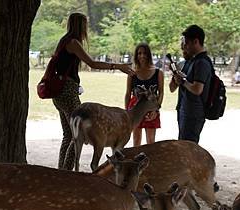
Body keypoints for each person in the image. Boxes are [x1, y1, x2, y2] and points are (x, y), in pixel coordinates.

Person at [51, 12, 134, 170]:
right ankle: (66, 173)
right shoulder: (73, 43)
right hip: (68, 91)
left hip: (58, 93)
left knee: (68, 134)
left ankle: (61, 171)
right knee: (74, 135)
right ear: (81, 26)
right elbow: (92, 63)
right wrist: (118, 66)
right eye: (85, 25)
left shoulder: (64, 41)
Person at [169, 24, 212, 143]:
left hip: (193, 113)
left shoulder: (202, 63)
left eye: (187, 43)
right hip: (185, 110)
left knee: (188, 148)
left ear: (196, 42)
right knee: (183, 145)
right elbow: (173, 87)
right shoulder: (191, 61)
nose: (185, 47)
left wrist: (182, 81)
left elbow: (197, 89)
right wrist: (176, 76)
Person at [124, 43, 164, 146]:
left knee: (150, 142)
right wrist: (127, 113)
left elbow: (161, 92)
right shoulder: (132, 74)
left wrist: (156, 110)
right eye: (139, 53)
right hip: (135, 109)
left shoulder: (158, 73)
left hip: (151, 109)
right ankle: (137, 162)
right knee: (136, 141)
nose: (142, 56)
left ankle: (149, 162)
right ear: (136, 56)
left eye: (145, 53)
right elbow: (128, 94)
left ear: (149, 55)